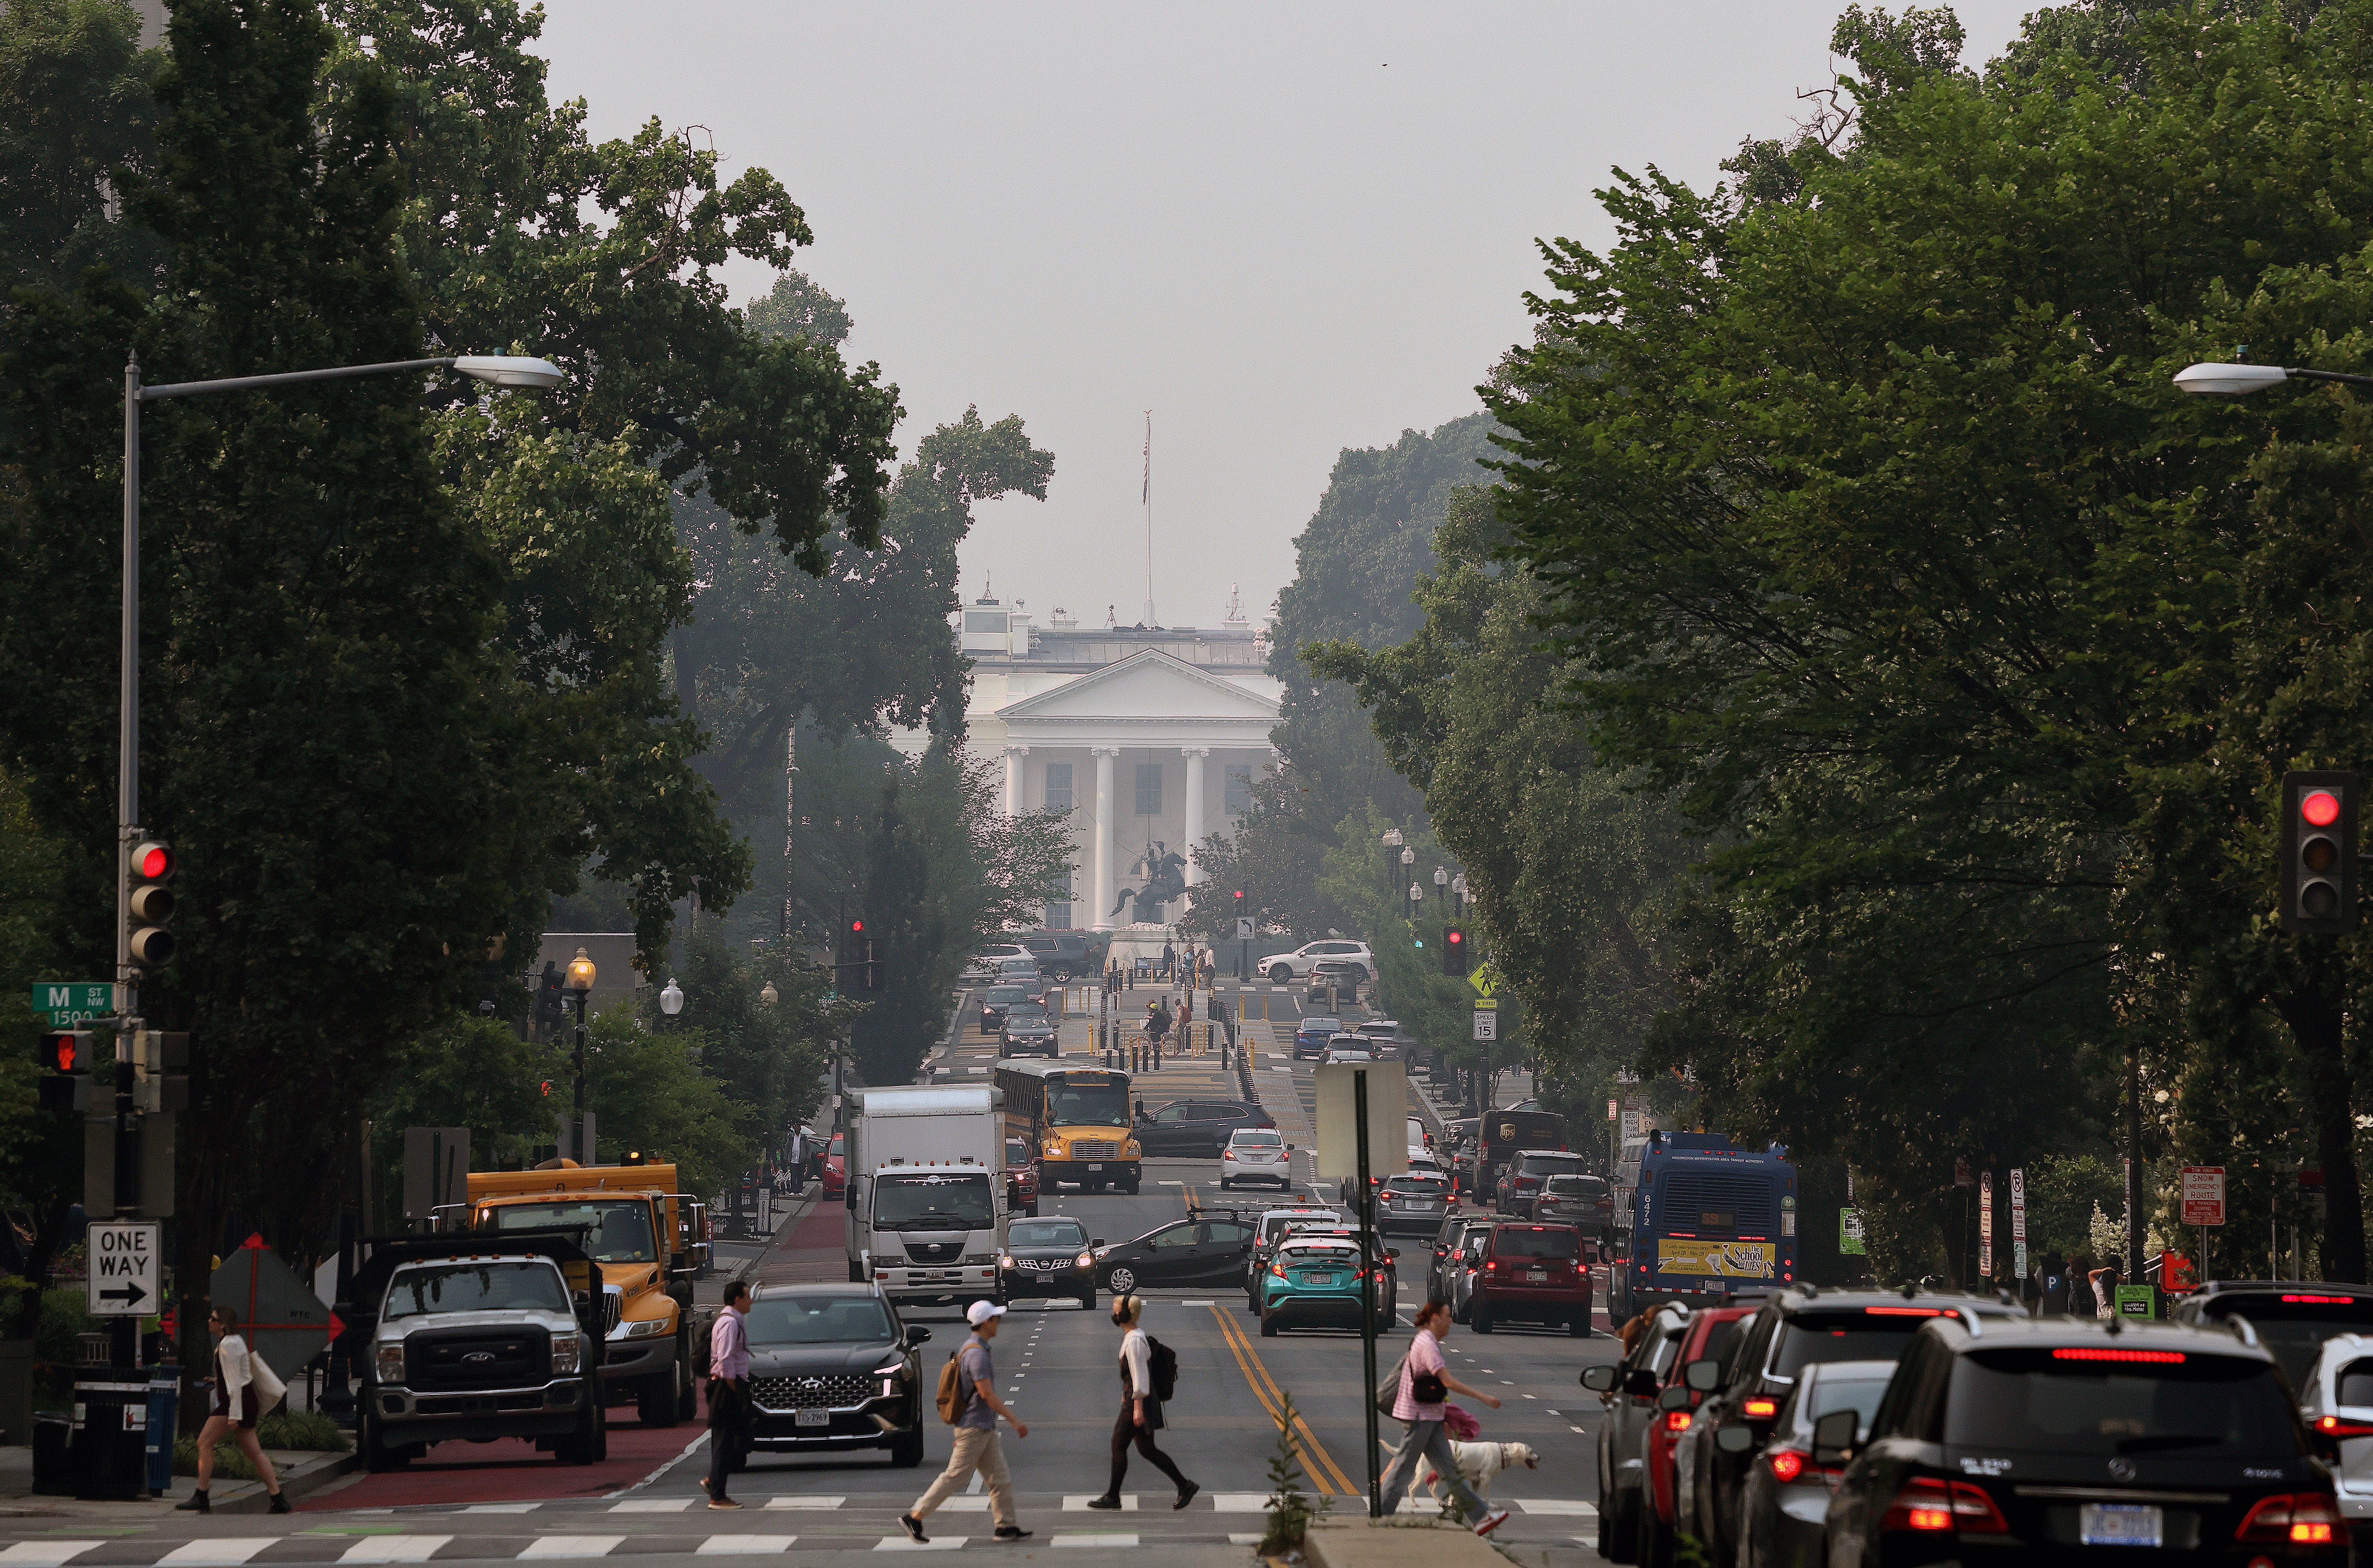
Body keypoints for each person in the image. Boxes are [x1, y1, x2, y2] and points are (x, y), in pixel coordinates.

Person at [903, 1301, 1030, 1544]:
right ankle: (915, 1517)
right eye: (995, 1319)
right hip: (974, 1427)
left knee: (1000, 1479)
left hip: (982, 1427)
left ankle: (1006, 1526)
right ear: (986, 1323)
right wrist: (1014, 1421)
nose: (998, 1323)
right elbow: (986, 1394)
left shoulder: (974, 1349)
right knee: (956, 1476)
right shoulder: (976, 1354)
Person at [1378, 1299, 1508, 1532]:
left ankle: (1481, 1517)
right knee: (1404, 1468)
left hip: (1430, 1416)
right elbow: (1447, 1381)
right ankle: (1381, 1514)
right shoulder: (1427, 1344)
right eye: (1448, 1317)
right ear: (1435, 1318)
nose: (1450, 1322)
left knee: (1449, 1471)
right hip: (1420, 1417)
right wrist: (1483, 1397)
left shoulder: (1427, 1341)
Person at [1085, 1295, 1198, 1509]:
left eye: (1116, 1310)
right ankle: (1185, 1485)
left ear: (1125, 1314)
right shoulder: (1133, 1337)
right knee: (1147, 1449)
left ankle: (1113, 1497)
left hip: (1139, 1402)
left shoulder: (1134, 1341)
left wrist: (1138, 1409)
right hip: (1137, 1400)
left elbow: (1140, 1377)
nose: (1114, 1314)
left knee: (1119, 1445)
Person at [176, 1306, 288, 1513]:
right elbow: (237, 1376)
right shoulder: (233, 1341)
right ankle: (278, 1498)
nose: (209, 1322)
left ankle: (202, 1495)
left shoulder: (228, 1345)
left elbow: (236, 1383)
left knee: (204, 1442)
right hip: (242, 1402)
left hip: (236, 1404)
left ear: (223, 1325)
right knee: (254, 1453)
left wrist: (235, 1415)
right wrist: (217, 1381)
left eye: (213, 1319)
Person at [701, 1280, 752, 1508]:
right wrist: (735, 1389)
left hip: (732, 1383)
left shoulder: (734, 1321)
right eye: (748, 1296)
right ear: (737, 1300)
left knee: (740, 1438)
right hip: (726, 1386)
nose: (751, 1301)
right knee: (725, 1440)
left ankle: (714, 1481)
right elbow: (725, 1359)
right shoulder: (729, 1324)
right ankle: (718, 1495)